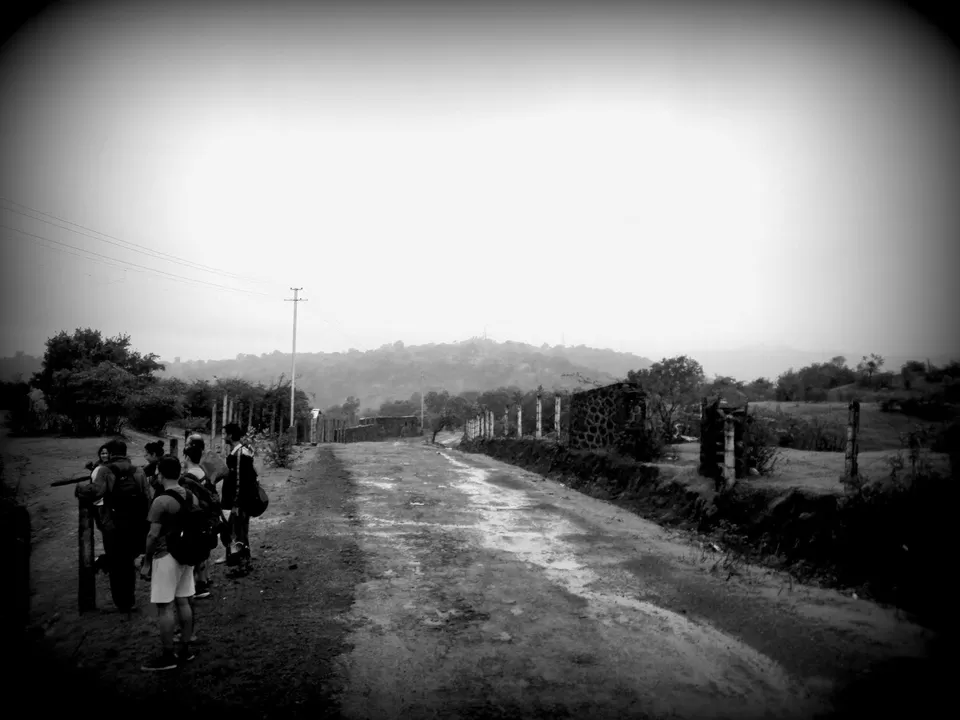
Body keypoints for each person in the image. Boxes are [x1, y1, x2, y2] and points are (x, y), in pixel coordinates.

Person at [75, 439, 152, 614]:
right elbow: (147, 497)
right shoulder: (138, 470)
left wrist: (80, 489)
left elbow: (96, 492)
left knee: (116, 563)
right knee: (127, 560)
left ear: (110, 453)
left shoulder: (105, 470)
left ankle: (121, 602)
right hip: (134, 523)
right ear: (125, 452)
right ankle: (130, 599)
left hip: (113, 524)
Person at [139, 455, 196, 671]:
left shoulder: (160, 501)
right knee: (184, 602)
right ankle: (185, 649)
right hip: (187, 555)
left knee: (164, 607)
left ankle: (167, 655)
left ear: (159, 473)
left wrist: (146, 561)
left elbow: (153, 535)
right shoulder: (190, 496)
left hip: (165, 555)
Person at [180, 444, 215, 599]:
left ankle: (199, 585)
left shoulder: (187, 478)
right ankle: (205, 578)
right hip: (207, 517)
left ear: (187, 457)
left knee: (195, 549)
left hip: (195, 517)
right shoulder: (203, 473)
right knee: (205, 550)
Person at [221, 423, 256, 574]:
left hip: (239, 501)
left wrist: (236, 502)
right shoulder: (243, 452)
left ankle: (241, 564)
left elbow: (240, 481)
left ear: (230, 435)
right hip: (242, 500)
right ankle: (243, 561)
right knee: (240, 531)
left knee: (237, 532)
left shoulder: (239, 455)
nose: (224, 437)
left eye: (225, 434)